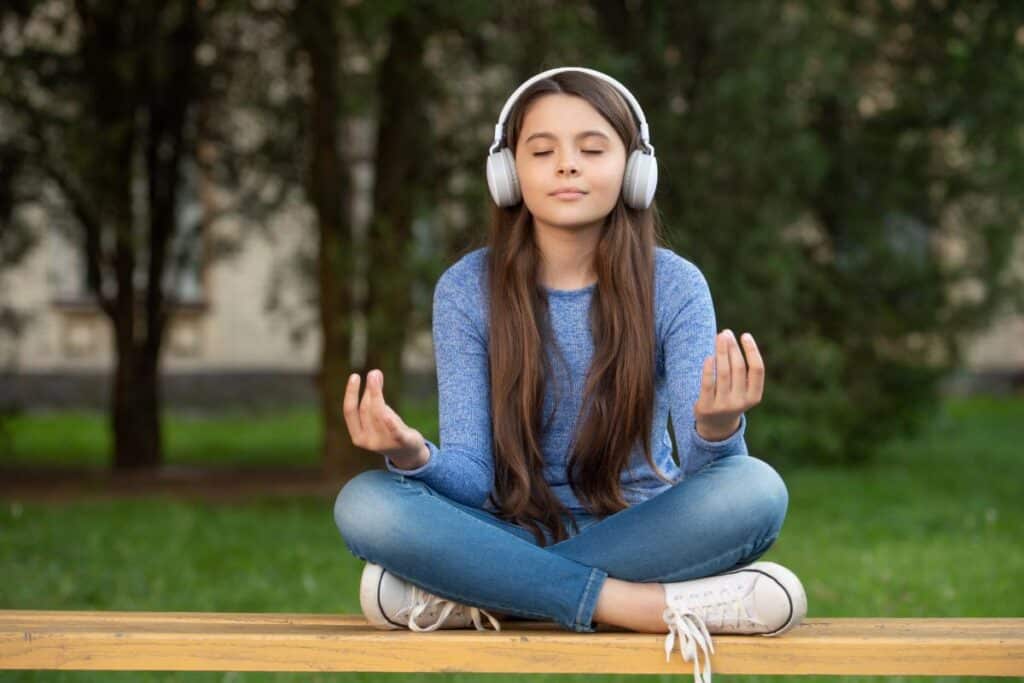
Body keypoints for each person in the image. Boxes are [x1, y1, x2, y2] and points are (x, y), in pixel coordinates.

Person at [334, 66, 807, 683]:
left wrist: (718, 427)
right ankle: (637, 607)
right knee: (366, 503)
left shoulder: (676, 285)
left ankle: (480, 595)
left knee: (757, 489)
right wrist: (413, 453)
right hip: (507, 525)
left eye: (591, 148)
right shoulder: (466, 290)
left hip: (643, 531)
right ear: (508, 174)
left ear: (635, 170)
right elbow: (475, 481)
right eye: (542, 151)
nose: (567, 166)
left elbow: (707, 475)